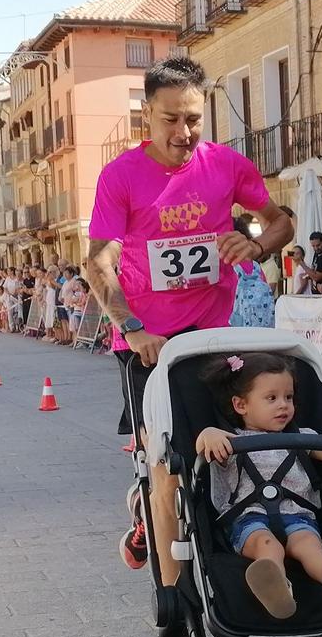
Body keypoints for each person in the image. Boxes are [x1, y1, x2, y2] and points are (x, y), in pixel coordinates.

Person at [84, 55, 293, 575]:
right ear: (147, 118)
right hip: (147, 343)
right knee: (166, 467)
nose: (183, 132)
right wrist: (133, 329)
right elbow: (97, 262)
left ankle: (236, 551)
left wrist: (258, 246)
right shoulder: (121, 176)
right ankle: (172, 585)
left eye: (193, 118)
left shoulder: (226, 164)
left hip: (211, 339)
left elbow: (281, 222)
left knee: (223, 449)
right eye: (170, 119)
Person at [196, 351, 322, 619]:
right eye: (272, 398)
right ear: (241, 405)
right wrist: (206, 434)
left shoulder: (301, 437)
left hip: (297, 513)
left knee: (308, 545)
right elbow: (203, 447)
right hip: (249, 517)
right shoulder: (229, 441)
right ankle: (276, 586)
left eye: (288, 397)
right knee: (268, 546)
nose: (284, 405)